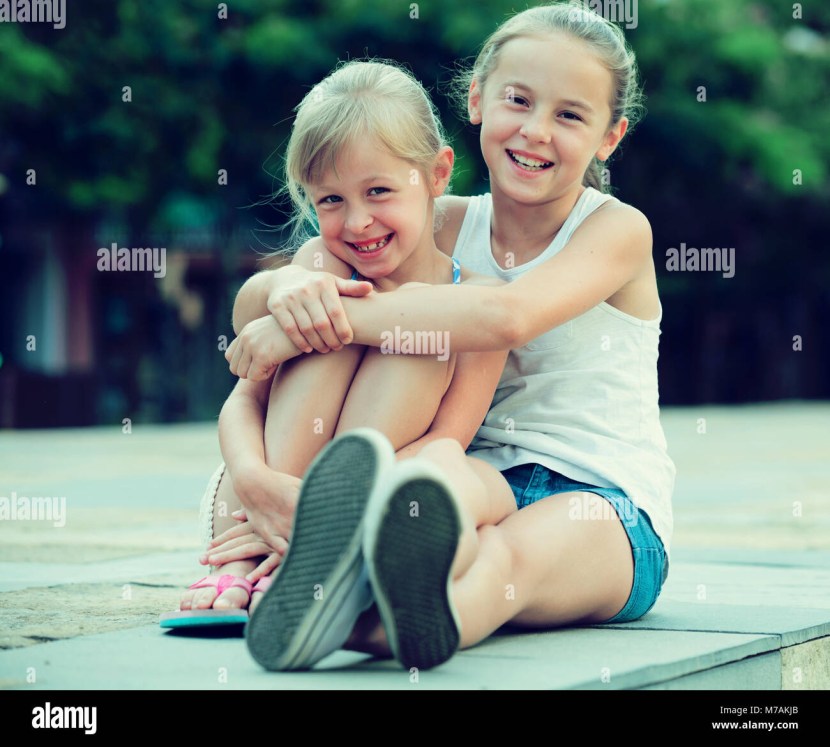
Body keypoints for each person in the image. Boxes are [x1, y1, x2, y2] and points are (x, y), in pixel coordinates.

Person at [222, 1, 675, 671]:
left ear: (610, 138)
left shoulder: (616, 231)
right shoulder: (435, 220)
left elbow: (504, 318)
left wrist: (320, 322)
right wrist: (286, 297)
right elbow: (282, 289)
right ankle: (349, 570)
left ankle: (365, 628)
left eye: (570, 115)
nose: (536, 131)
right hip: (468, 468)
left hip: (601, 497)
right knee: (429, 492)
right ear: (477, 99)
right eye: (518, 100)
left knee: (507, 560)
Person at [160, 60, 512, 632]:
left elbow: (444, 446)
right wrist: (255, 481)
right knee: (321, 293)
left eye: (379, 191)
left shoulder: (473, 300)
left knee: (420, 335)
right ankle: (260, 559)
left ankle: (311, 555)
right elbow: (245, 402)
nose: (358, 222)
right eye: (330, 201)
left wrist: (322, 510)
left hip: (355, 505)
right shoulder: (316, 273)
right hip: (251, 503)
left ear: (437, 173)